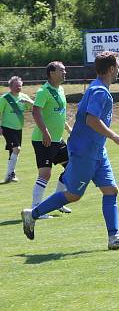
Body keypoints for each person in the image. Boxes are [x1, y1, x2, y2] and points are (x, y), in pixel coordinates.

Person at [22, 51, 119, 250]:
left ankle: (114, 238)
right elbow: (91, 119)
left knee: (111, 190)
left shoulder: (98, 88)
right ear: (111, 69)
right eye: (118, 66)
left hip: (97, 150)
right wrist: (115, 136)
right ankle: (31, 214)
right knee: (73, 195)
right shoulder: (100, 91)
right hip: (84, 151)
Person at [30, 61, 73, 216]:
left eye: (65, 70)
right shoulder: (43, 91)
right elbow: (35, 112)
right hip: (44, 140)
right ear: (51, 73)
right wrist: (45, 132)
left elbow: (59, 114)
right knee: (45, 174)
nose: (65, 72)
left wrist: (68, 129)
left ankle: (58, 201)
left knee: (72, 168)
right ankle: (36, 209)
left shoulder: (60, 89)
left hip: (57, 139)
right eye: (61, 70)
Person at [1, 76, 34, 183]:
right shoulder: (5, 98)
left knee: (14, 151)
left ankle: (10, 175)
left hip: (18, 128)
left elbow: (35, 108)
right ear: (10, 87)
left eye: (20, 86)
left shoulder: (24, 97)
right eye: (16, 86)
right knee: (17, 149)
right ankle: (10, 174)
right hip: (7, 128)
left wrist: (29, 102)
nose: (18, 88)